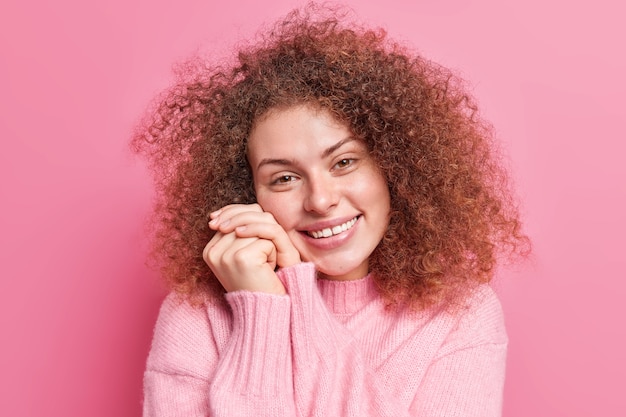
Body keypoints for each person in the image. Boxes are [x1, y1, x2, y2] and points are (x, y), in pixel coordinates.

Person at [133, 4, 529, 416]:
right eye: (284, 178)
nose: (320, 200)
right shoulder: (198, 314)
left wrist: (297, 301)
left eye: (344, 162)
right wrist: (261, 310)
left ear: (394, 165)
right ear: (249, 193)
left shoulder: (460, 313)